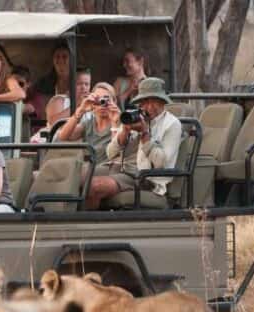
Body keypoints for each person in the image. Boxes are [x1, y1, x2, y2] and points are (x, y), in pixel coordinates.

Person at [88, 78, 180, 209]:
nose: (148, 106)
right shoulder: (137, 116)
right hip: (120, 167)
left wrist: (144, 134)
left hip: (144, 177)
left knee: (95, 187)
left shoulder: (172, 124)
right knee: (76, 176)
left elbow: (162, 163)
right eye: (144, 101)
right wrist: (125, 131)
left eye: (153, 101)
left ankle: (88, 226)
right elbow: (110, 153)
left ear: (162, 102)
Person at [56, 82, 118, 167]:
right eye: (98, 100)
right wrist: (81, 110)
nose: (102, 103)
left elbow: (115, 153)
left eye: (106, 99)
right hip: (89, 169)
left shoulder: (119, 122)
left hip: (108, 168)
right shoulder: (89, 123)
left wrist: (115, 123)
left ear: (114, 101)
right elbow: (64, 136)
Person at [30, 42, 71, 108]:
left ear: (71, 59)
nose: (60, 60)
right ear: (53, 59)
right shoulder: (43, 83)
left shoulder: (78, 81)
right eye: (57, 56)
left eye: (64, 56)